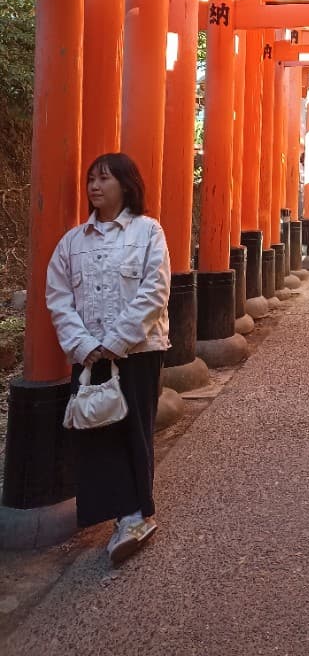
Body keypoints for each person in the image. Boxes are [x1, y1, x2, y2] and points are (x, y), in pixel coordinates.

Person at [46, 152, 171, 566]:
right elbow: (58, 297)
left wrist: (116, 340)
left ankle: (137, 515)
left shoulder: (149, 232)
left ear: (126, 184)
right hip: (88, 353)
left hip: (136, 351)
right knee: (95, 433)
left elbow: (155, 291)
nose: (94, 187)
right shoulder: (72, 242)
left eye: (104, 179)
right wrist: (84, 345)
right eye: (90, 180)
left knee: (132, 429)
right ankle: (115, 513)